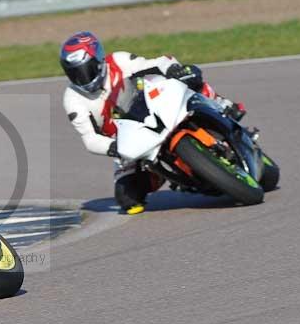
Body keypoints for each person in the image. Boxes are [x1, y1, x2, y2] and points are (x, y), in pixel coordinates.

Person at [60, 31, 245, 215]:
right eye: (74, 74)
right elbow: (90, 139)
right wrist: (116, 147)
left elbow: (156, 63)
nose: (82, 78)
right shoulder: (73, 99)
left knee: (189, 77)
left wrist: (173, 69)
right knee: (128, 197)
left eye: (87, 70)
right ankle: (166, 174)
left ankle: (222, 105)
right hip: (127, 141)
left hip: (152, 109)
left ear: (99, 60)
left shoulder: (118, 60)